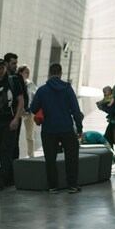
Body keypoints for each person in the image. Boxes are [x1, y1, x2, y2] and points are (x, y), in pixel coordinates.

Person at [28, 63, 84, 194]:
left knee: (50, 158)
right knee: (71, 156)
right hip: (66, 128)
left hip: (49, 129)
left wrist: (44, 108)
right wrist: (80, 128)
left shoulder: (42, 90)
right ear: (60, 74)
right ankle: (72, 185)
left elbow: (33, 108)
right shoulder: (67, 89)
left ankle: (53, 186)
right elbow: (76, 110)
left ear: (49, 73)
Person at [0, 61, 18, 189]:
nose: (0, 70)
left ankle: (2, 179)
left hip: (8, 121)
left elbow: (21, 100)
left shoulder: (12, 82)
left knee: (5, 151)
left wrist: (16, 118)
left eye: (2, 68)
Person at [2, 53, 25, 161]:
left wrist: (17, 117)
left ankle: (12, 170)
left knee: (13, 145)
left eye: (16, 63)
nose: (15, 66)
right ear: (6, 63)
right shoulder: (0, 78)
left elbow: (23, 98)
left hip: (14, 116)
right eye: (13, 63)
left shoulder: (17, 78)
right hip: (1, 117)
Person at [18, 65, 37, 157]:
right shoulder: (16, 82)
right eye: (26, 72)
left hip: (29, 112)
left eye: (29, 72)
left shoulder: (30, 84)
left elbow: (35, 96)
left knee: (30, 135)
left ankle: (31, 154)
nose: (28, 74)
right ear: (20, 72)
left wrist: (32, 108)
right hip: (18, 112)